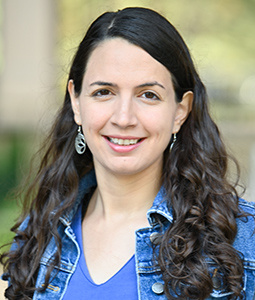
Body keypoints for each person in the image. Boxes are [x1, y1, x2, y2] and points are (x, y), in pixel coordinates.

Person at [1, 7, 255, 300]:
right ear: (76, 101)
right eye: (104, 92)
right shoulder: (40, 233)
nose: (124, 118)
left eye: (149, 95)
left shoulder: (241, 240)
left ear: (180, 110)